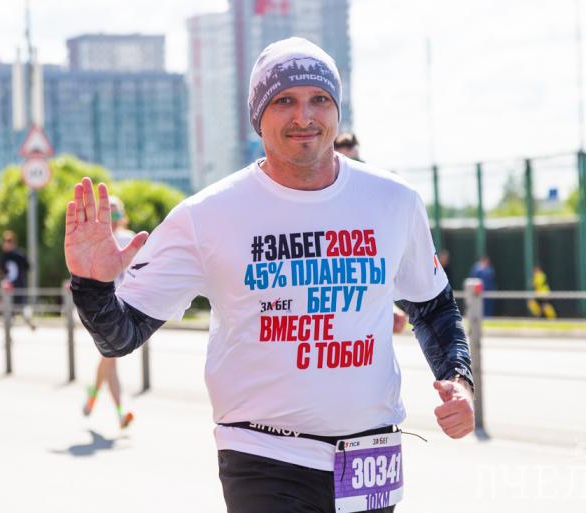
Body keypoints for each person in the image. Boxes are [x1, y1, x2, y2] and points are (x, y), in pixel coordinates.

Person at [65, 37, 473, 513]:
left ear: (337, 110)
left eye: (319, 99)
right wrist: (92, 285)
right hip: (264, 453)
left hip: (371, 455)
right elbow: (119, 336)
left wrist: (458, 380)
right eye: (284, 101)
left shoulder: (394, 200)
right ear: (258, 116)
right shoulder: (207, 215)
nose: (304, 116)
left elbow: (433, 307)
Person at [334, 132, 408, 334]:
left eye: (356, 163)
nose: (351, 170)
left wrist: (389, 307)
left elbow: (370, 268)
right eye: (343, 163)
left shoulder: (371, 201)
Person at [81, 196, 135, 429]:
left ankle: (93, 395)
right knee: (110, 356)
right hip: (101, 307)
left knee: (109, 358)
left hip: (126, 305)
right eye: (108, 213)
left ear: (122, 216)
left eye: (116, 214)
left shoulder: (129, 238)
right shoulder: (95, 238)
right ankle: (120, 412)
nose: (112, 219)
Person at [0, 230, 36, 330]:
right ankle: (8, 329)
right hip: (9, 286)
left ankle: (28, 322)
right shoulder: (4, 256)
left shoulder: (19, 254)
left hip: (20, 285)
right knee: (8, 307)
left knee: (22, 306)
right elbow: (1, 271)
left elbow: (28, 267)